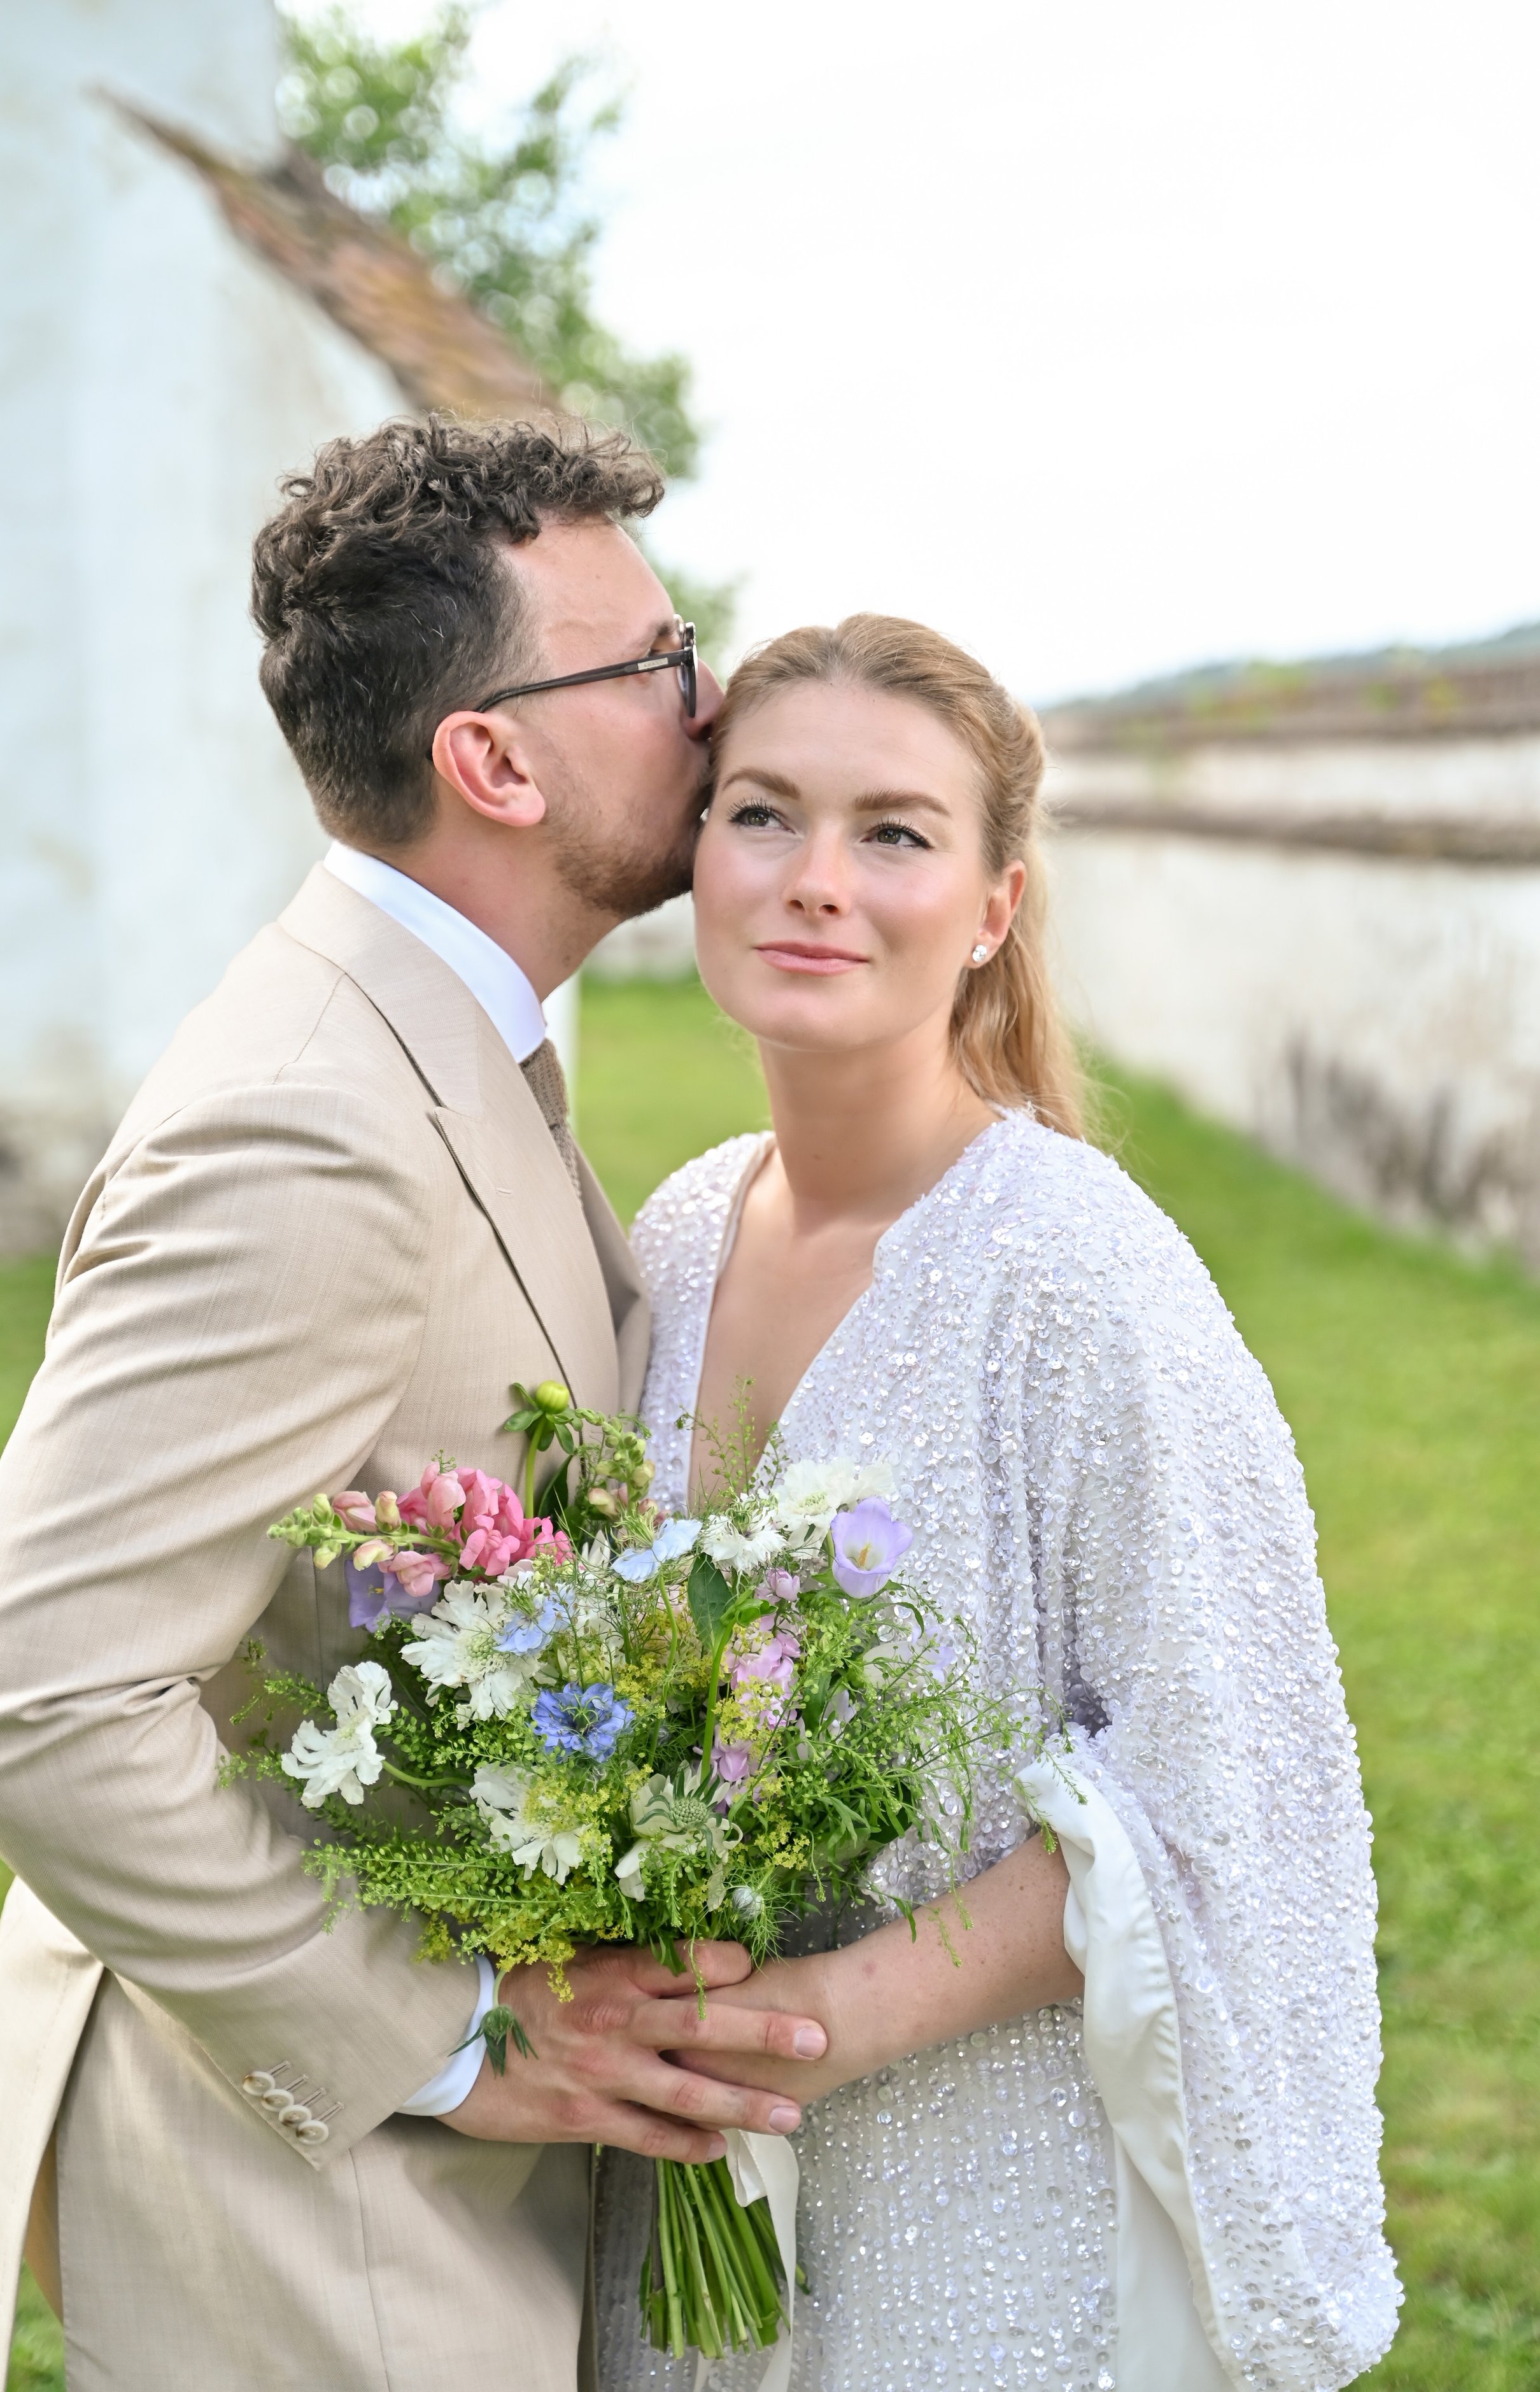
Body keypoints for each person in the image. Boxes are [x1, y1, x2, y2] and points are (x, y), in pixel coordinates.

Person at [0, 416, 828, 2392]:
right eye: (658, 661)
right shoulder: (312, 1119)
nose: (715, 704)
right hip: (312, 2230)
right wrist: (451, 2039)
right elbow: (35, 1693)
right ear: (493, 760)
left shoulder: (440, 1037)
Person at [592, 616, 1401, 2392]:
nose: (816, 881)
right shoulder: (671, 1229)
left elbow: (1219, 1783)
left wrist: (817, 2024)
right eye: (761, 815)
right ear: (693, 857)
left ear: (990, 908)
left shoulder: (1075, 1278)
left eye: (893, 832)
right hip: (685, 2202)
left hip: (982, 2213)